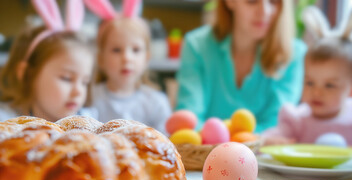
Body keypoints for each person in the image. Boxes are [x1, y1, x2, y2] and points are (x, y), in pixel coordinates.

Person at [176, 0, 307, 132]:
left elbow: (276, 125)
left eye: (274, 2)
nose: (264, 11)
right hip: (206, 152)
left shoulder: (293, 54)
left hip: (261, 152)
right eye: (252, 2)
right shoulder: (196, 46)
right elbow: (189, 119)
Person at [263, 6, 352, 147]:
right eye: (309, 83)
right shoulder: (297, 119)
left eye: (329, 85)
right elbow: (269, 139)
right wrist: (267, 141)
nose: (316, 92)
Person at [84, 0, 172, 134]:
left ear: (147, 57)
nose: (127, 58)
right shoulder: (89, 98)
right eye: (116, 50)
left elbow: (166, 144)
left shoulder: (157, 103)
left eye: (135, 50)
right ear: (101, 58)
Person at [0, 0, 94, 122]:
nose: (78, 92)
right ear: (27, 73)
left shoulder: (88, 120)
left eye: (84, 82)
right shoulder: (6, 122)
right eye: (66, 78)